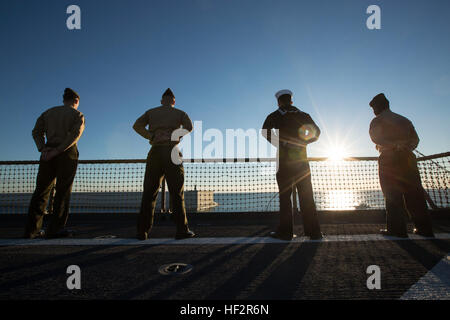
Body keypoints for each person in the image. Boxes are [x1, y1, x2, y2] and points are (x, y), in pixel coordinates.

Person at [369, 93, 434, 238]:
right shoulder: (404, 120)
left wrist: (393, 146)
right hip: (407, 158)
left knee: (392, 194)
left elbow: (375, 138)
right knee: (415, 193)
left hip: (388, 158)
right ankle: (424, 228)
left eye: (373, 108)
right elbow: (415, 140)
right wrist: (405, 147)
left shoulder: (377, 121)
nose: (373, 111)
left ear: (378, 107)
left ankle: (397, 229)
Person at [133, 88, 195, 240]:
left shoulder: (151, 112)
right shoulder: (180, 113)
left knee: (149, 193)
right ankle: (182, 230)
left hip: (155, 152)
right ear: (174, 101)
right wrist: (175, 135)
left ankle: (142, 231)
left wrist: (151, 135)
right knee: (176, 193)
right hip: (172, 152)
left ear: (161, 101)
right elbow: (189, 127)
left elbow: (136, 125)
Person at [24, 88, 85, 239]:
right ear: (76, 101)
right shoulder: (77, 115)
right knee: (63, 191)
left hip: (47, 154)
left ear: (64, 100)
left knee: (41, 191)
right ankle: (55, 229)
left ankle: (32, 230)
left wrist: (43, 148)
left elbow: (36, 132)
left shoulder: (48, 113)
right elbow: (75, 135)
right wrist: (58, 150)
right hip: (66, 154)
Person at [262, 89, 323, 240]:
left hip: (284, 162)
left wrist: (281, 143)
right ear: (291, 101)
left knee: (285, 196)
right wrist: (303, 143)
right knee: (307, 196)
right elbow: (317, 132)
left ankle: (285, 232)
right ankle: (314, 232)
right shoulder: (303, 115)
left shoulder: (275, 115)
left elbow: (265, 132)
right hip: (302, 161)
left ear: (279, 102)